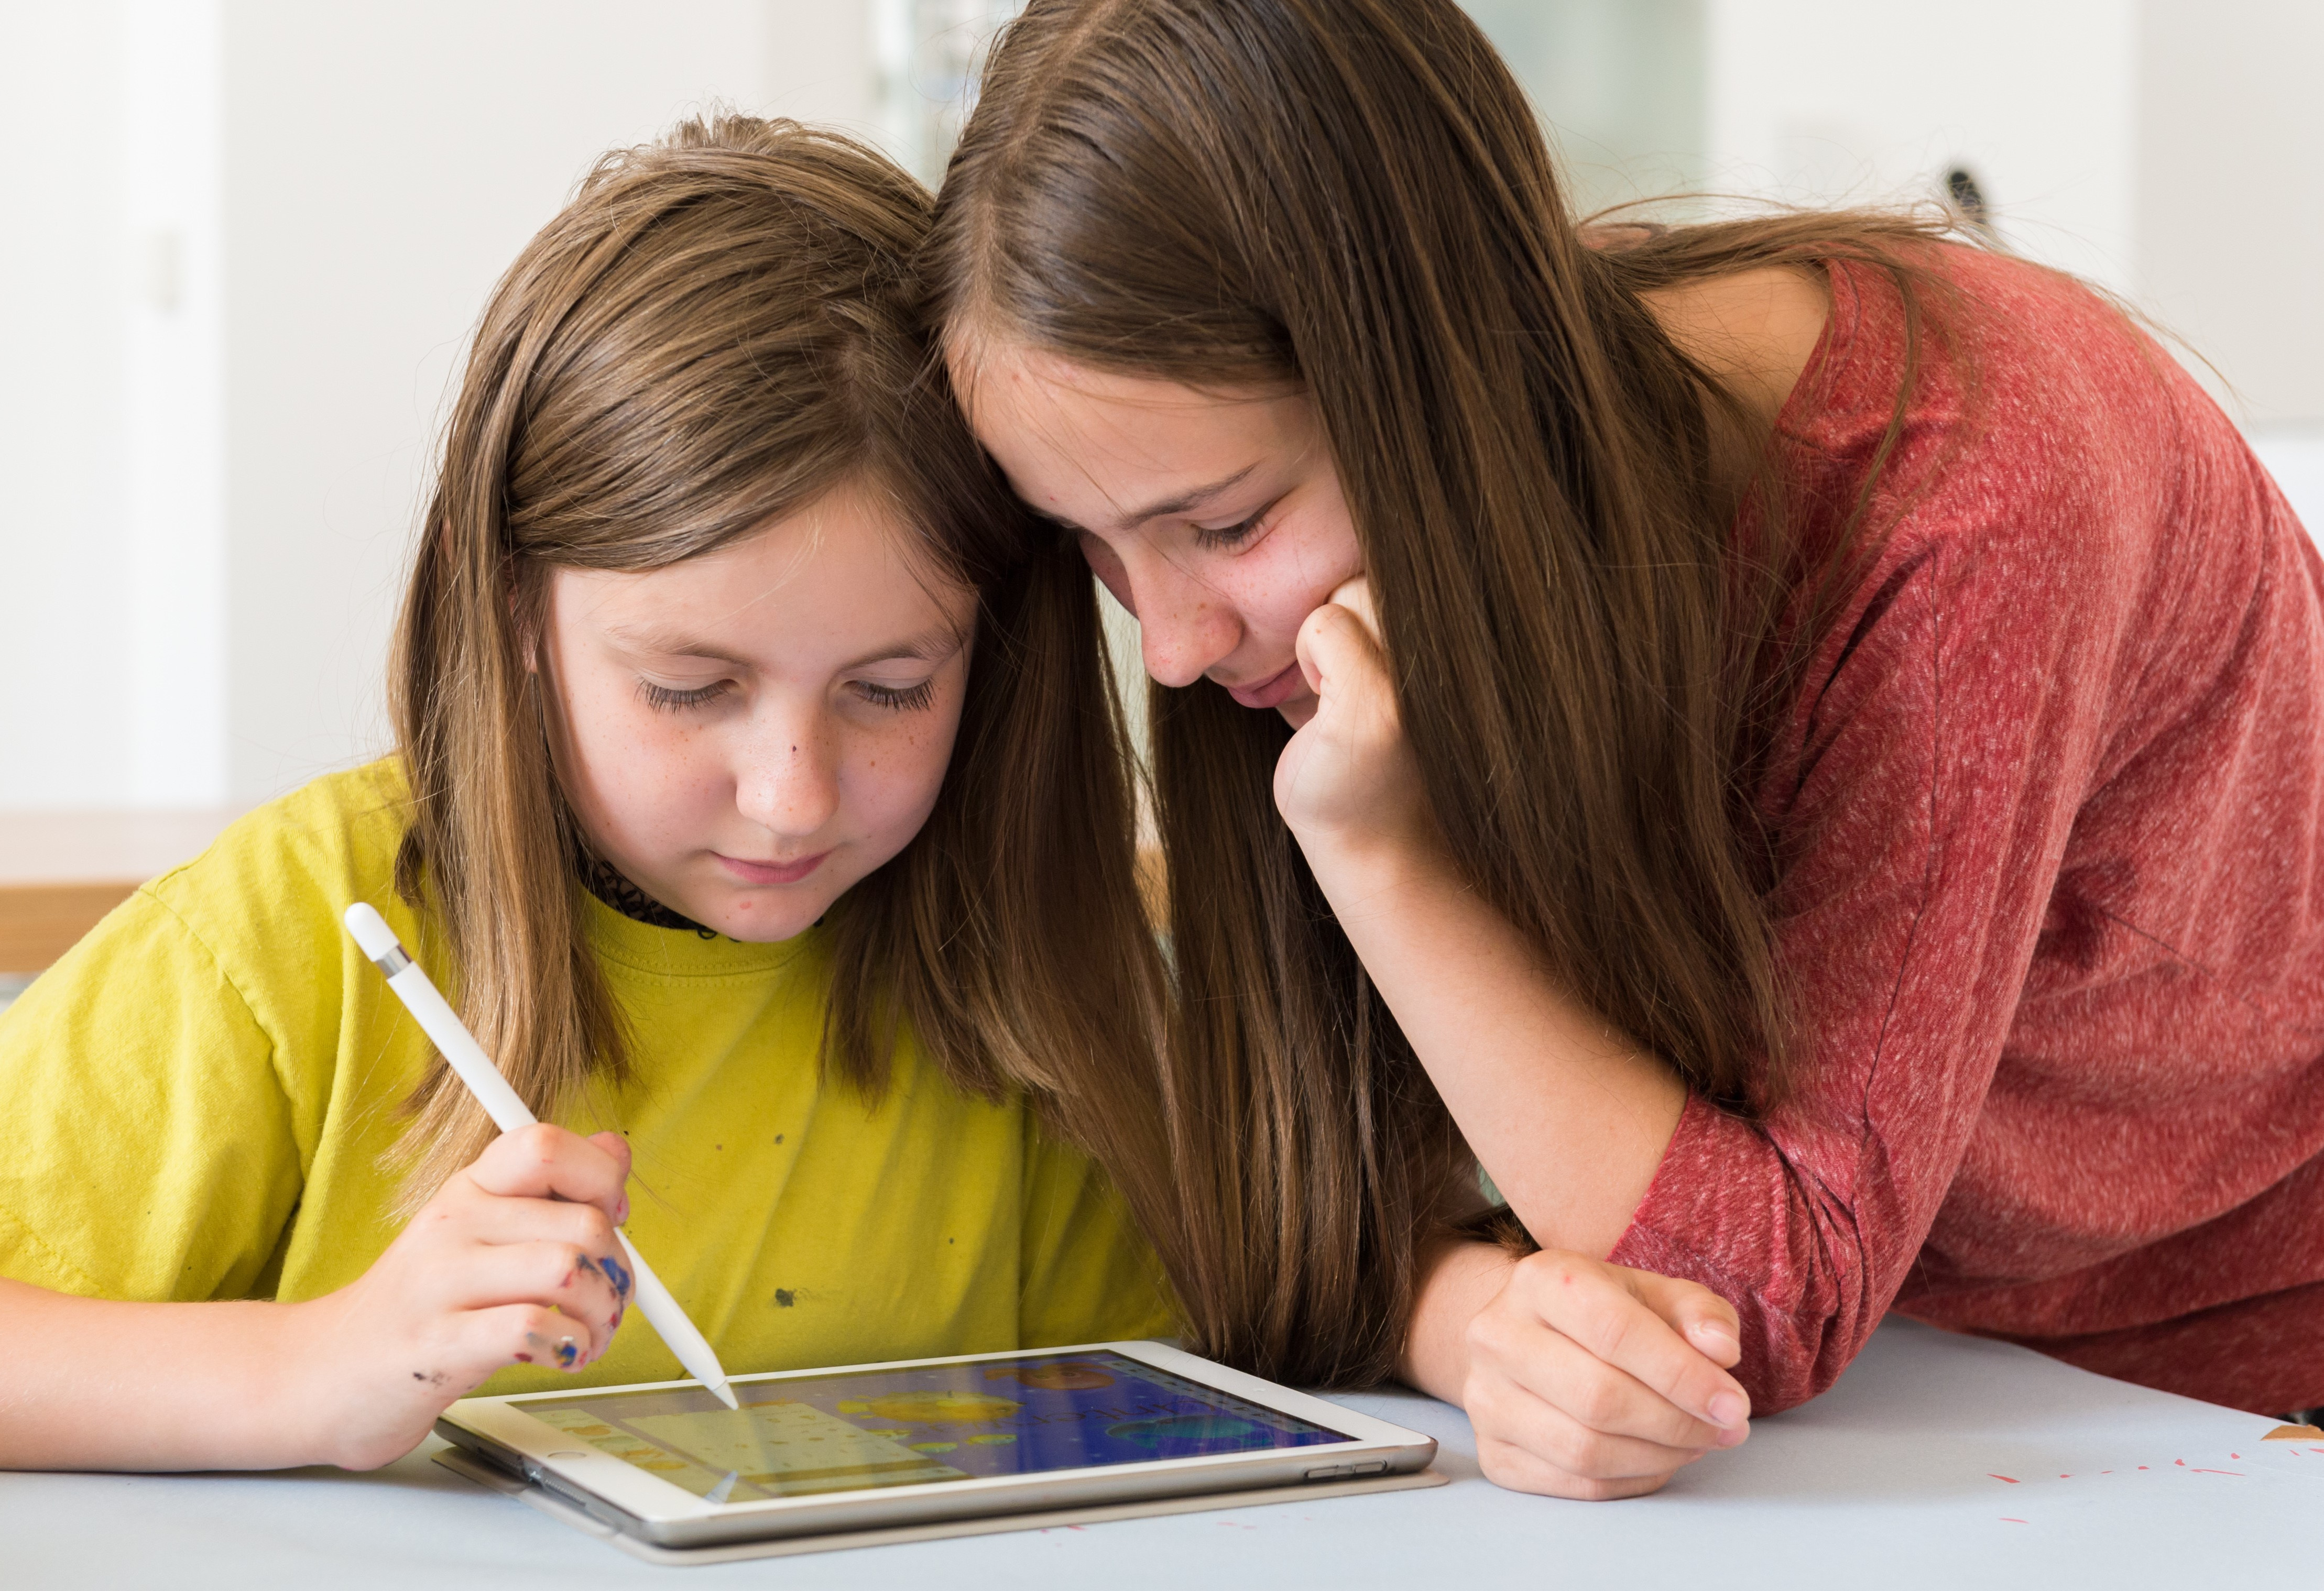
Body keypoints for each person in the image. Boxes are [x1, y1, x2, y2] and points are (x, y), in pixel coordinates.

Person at [926, 0, 2324, 1499]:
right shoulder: (1458, 504)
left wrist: (1378, 855)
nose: (1174, 646)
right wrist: (1458, 1316)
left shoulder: (1978, 504)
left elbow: (1761, 1304)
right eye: (1095, 544)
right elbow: (1313, 1173)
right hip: (1938, 1406)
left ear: (1435, 390)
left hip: (2226, 1404)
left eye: (1222, 525)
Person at [0, 116, 1175, 1473]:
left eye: (891, 686)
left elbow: (1162, 1397)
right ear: (509, 607)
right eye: (688, 688)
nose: (792, 799)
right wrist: (314, 1367)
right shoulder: (290, 929)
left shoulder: (1022, 978)